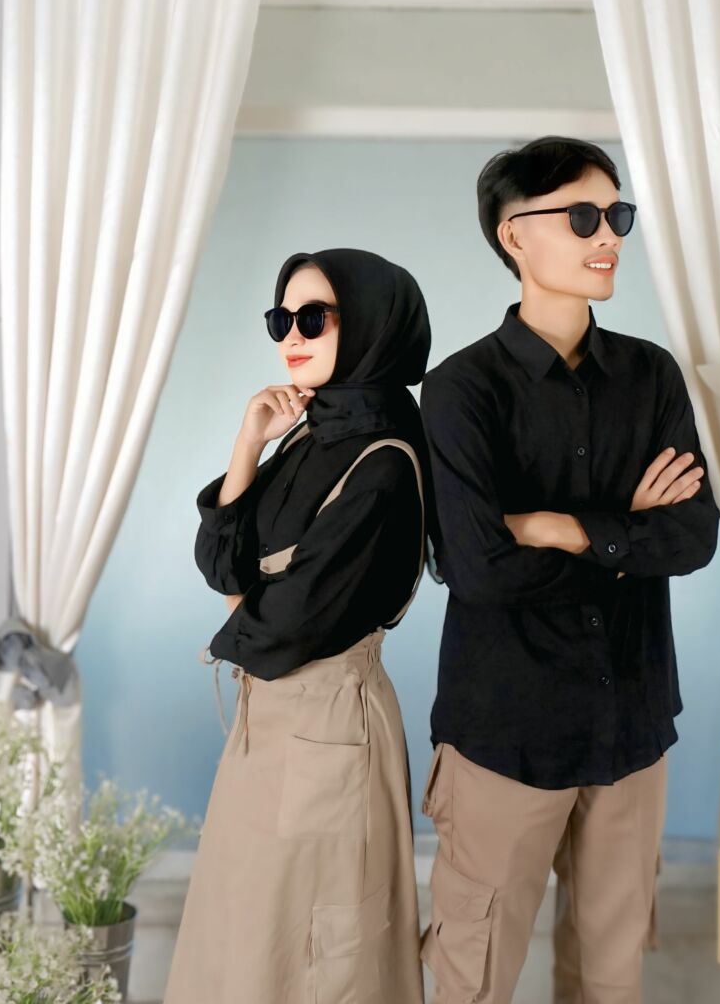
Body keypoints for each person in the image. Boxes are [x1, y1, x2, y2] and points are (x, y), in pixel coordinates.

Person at [417, 137, 720, 1004]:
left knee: (610, 980)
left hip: (632, 727)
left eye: (617, 215)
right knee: (475, 976)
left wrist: (558, 528)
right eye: (584, 216)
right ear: (515, 235)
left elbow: (693, 538)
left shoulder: (651, 375)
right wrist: (626, 539)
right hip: (504, 734)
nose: (610, 236)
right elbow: (477, 570)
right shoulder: (460, 390)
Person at [163, 247, 437, 1004]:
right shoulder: (308, 435)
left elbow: (277, 632)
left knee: (321, 954)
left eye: (313, 317)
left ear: (372, 325)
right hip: (271, 723)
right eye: (280, 318)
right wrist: (248, 441)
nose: (291, 334)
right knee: (249, 934)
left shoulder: (382, 464)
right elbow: (221, 566)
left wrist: (247, 602)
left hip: (328, 724)